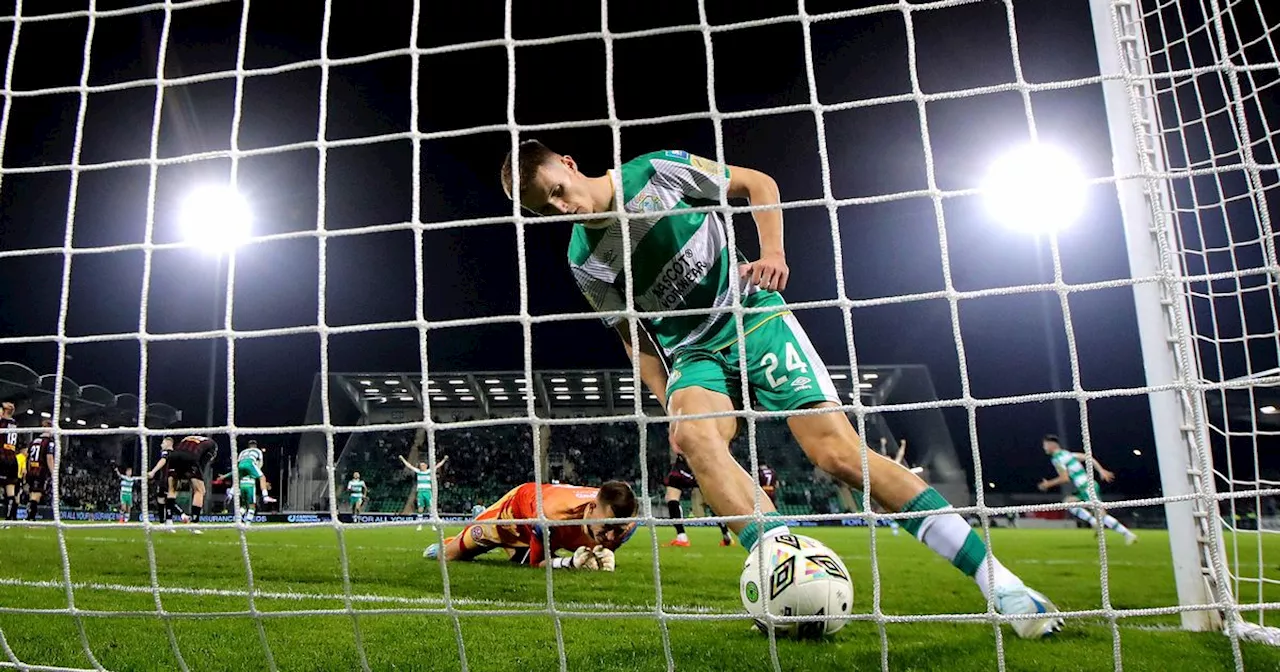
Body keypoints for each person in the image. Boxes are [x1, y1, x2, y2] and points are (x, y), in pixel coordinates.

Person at [500, 141, 1063, 638]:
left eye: (557, 191)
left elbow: (755, 183)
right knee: (692, 437)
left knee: (839, 456)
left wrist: (773, 253)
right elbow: (632, 335)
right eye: (543, 208)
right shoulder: (583, 258)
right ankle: (779, 559)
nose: (561, 208)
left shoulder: (655, 173)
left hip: (750, 315)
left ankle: (1000, 584)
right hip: (692, 351)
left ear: (570, 165)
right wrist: (665, 392)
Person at [423, 481, 637, 570]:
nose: (611, 536)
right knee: (449, 556)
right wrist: (570, 562)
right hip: (511, 518)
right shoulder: (553, 515)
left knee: (519, 560)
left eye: (617, 529)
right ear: (591, 508)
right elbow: (538, 563)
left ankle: (511, 548)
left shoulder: (626, 526)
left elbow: (608, 540)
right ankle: (466, 528)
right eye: (606, 526)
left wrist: (603, 555)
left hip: (539, 529)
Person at [1037, 435, 1137, 545]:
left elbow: (1064, 478)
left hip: (1086, 487)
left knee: (1101, 515)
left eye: (1045, 445)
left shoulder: (1057, 459)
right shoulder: (1068, 454)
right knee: (1069, 502)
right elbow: (1088, 457)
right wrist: (1101, 470)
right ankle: (1094, 522)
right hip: (1087, 485)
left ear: (1051, 445)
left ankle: (1128, 534)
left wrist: (1047, 484)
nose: (1044, 448)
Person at [148, 435, 217, 534]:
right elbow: (202, 464)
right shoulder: (212, 445)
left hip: (175, 456)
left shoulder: (187, 438)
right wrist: (194, 476)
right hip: (190, 457)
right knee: (200, 491)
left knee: (172, 490)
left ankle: (169, 522)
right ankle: (194, 524)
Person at [664, 447, 732, 547]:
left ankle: (682, 536)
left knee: (672, 497)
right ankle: (726, 534)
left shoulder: (678, 432)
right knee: (710, 500)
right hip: (702, 461)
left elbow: (677, 447)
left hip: (688, 463)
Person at [398, 454, 448, 531]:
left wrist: (444, 460)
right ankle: (419, 525)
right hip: (421, 492)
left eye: (423, 465)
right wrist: (402, 459)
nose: (422, 467)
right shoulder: (418, 472)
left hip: (428, 492)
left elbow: (438, 466)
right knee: (420, 509)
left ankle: (432, 525)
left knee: (430, 509)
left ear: (426, 466)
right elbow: (409, 466)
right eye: (421, 465)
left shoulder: (429, 471)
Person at [23, 420, 55, 522]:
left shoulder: (33, 441)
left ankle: (29, 516)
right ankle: (30, 518)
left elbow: (27, 457)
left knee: (33, 494)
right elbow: (49, 457)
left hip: (31, 469)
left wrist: (27, 471)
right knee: (36, 495)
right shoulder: (49, 442)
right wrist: (53, 473)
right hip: (40, 470)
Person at [0, 402, 21, 523]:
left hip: (2, 457)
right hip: (13, 459)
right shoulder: (15, 424)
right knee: (10, 490)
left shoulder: (2, 423)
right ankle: (9, 518)